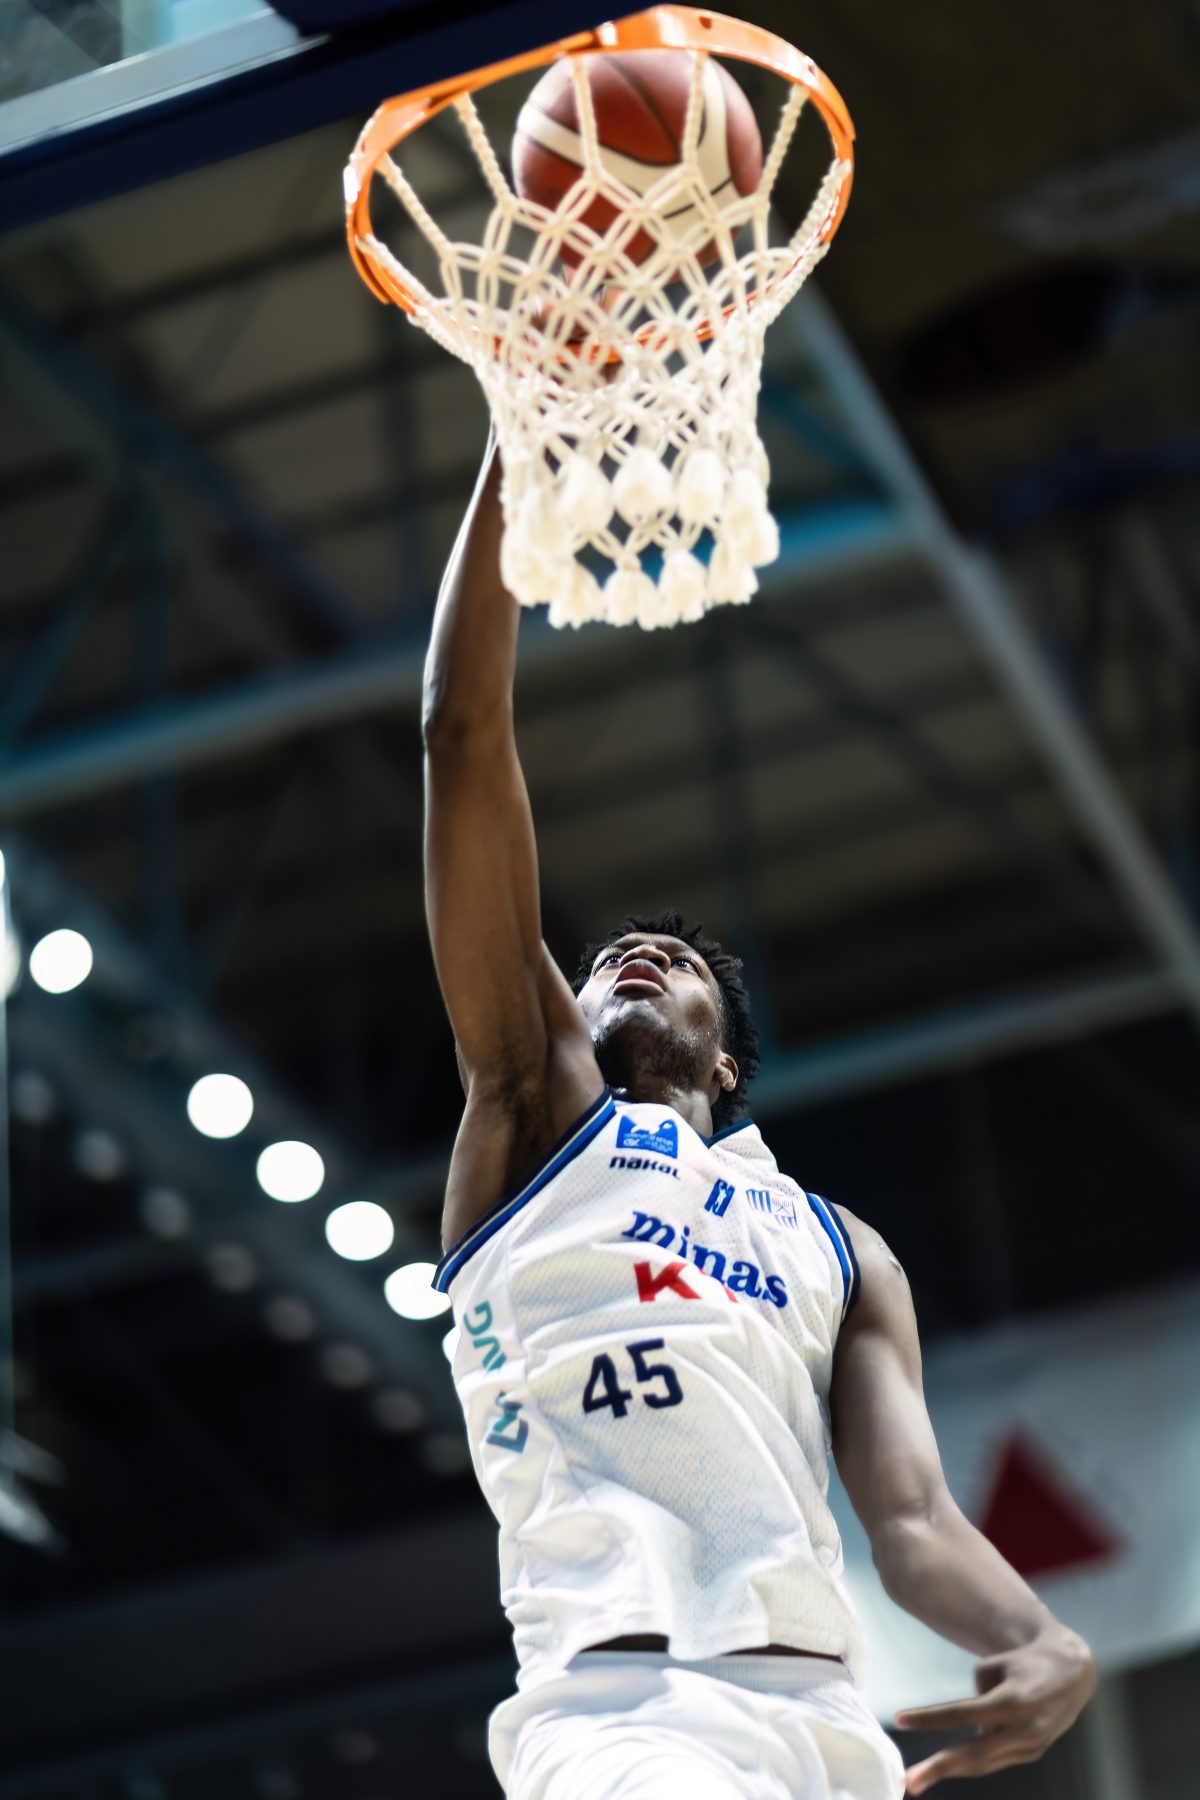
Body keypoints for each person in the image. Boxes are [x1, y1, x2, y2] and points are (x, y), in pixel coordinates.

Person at [422, 433, 1097, 1799]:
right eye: (607, 958)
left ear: (726, 1063)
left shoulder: (842, 1249)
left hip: (827, 1724)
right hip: (625, 1711)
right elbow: (459, 733)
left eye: (676, 961)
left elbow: (912, 1517)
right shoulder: (535, 1117)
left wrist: (1042, 1638)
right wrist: (520, 443)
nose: (636, 955)